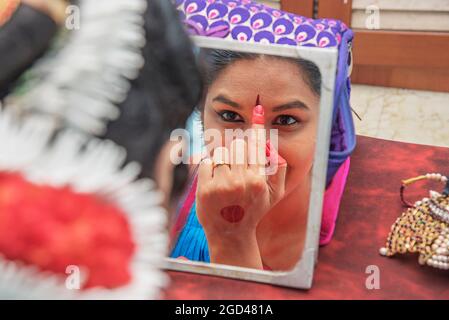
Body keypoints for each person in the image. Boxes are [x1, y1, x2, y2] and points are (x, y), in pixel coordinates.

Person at [171, 50, 321, 271]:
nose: (254, 150)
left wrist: (232, 235)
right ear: (202, 115)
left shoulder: (350, 235)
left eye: (285, 120)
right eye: (230, 116)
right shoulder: (175, 184)